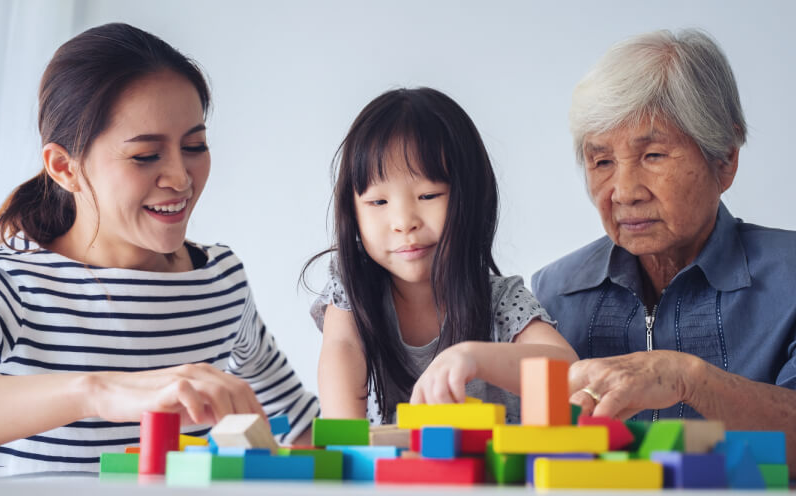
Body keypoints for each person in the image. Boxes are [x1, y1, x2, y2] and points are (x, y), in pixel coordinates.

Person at [0, 23, 319, 476]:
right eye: (146, 155)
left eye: (194, 146)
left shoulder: (220, 280)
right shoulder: (14, 285)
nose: (180, 178)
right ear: (64, 167)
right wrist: (99, 392)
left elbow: (297, 425)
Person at [531, 29, 796, 474]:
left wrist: (687, 379)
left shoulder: (789, 280)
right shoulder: (554, 294)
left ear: (725, 158)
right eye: (602, 162)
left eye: (653, 154)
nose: (624, 192)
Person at [307, 87, 577, 424]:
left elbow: (569, 371)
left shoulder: (501, 301)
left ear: (472, 199)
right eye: (378, 202)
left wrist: (473, 357)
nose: (404, 223)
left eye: (428, 195)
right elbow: (341, 354)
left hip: (495, 474)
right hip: (394, 475)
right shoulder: (352, 294)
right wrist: (346, 449)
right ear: (353, 212)